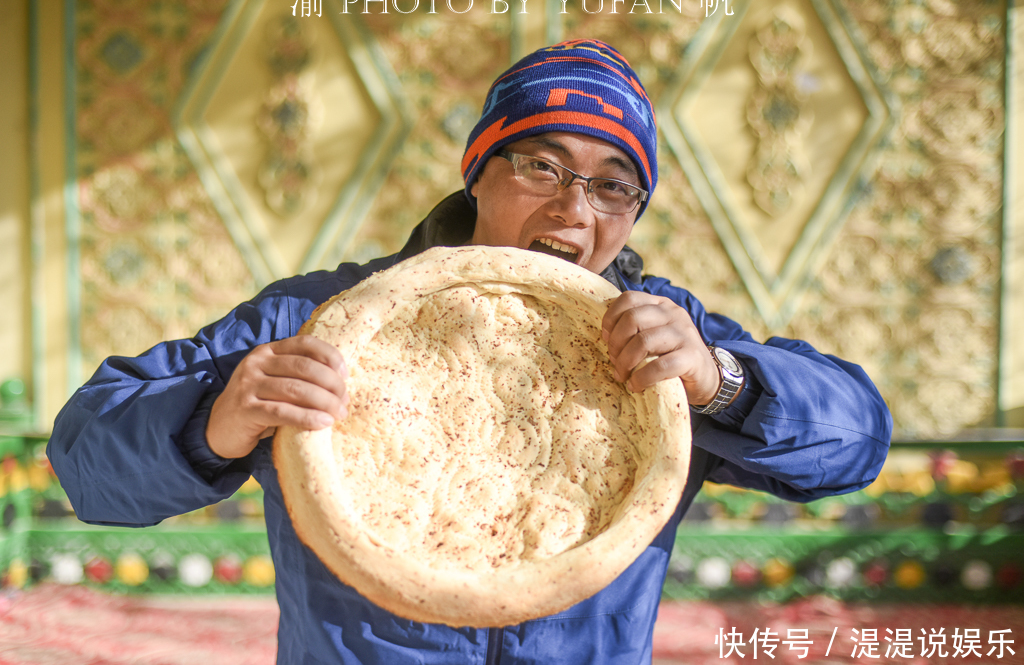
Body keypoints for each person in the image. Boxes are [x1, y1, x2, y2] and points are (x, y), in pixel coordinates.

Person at [48, 39, 891, 664]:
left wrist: (724, 381)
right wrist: (217, 413)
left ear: (635, 209)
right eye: (541, 164)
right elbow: (87, 462)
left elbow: (857, 441)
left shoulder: (659, 339)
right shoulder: (323, 319)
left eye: (612, 185)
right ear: (477, 170)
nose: (573, 211)